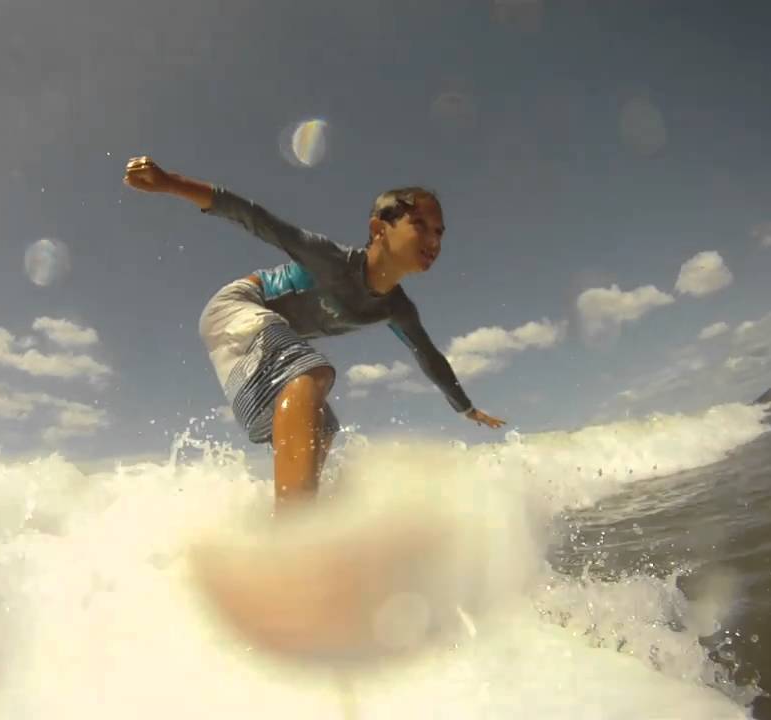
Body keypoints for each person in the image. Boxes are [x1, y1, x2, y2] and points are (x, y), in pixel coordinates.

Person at [123, 156, 506, 513]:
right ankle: (291, 531)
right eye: (419, 226)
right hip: (236, 306)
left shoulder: (396, 308)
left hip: (267, 335)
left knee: (323, 426)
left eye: (439, 231)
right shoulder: (331, 259)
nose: (434, 241)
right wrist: (170, 182)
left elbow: (429, 356)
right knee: (309, 374)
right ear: (378, 229)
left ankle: (300, 520)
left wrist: (465, 407)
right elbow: (256, 218)